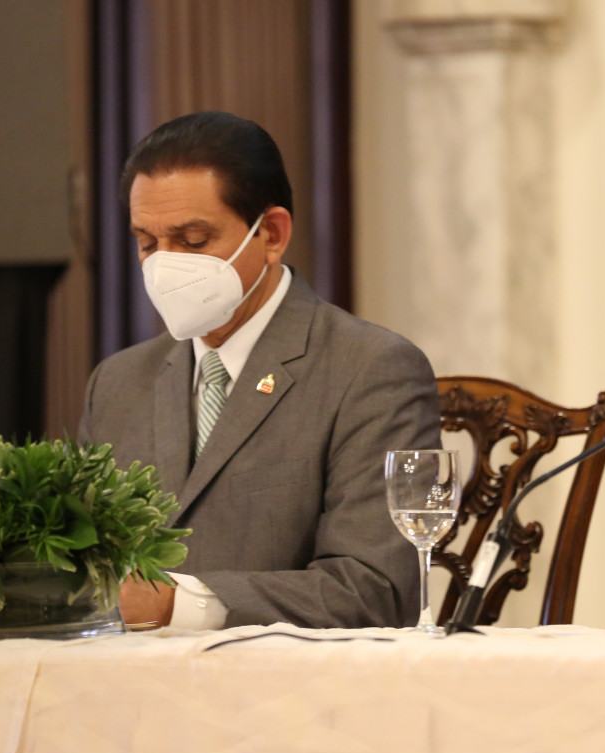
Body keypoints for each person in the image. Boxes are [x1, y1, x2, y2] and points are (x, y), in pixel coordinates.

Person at [79, 111, 441, 629]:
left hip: (290, 676)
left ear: (271, 234)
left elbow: (373, 589)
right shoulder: (118, 382)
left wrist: (179, 605)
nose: (164, 266)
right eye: (147, 243)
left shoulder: (371, 370)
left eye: (194, 240)